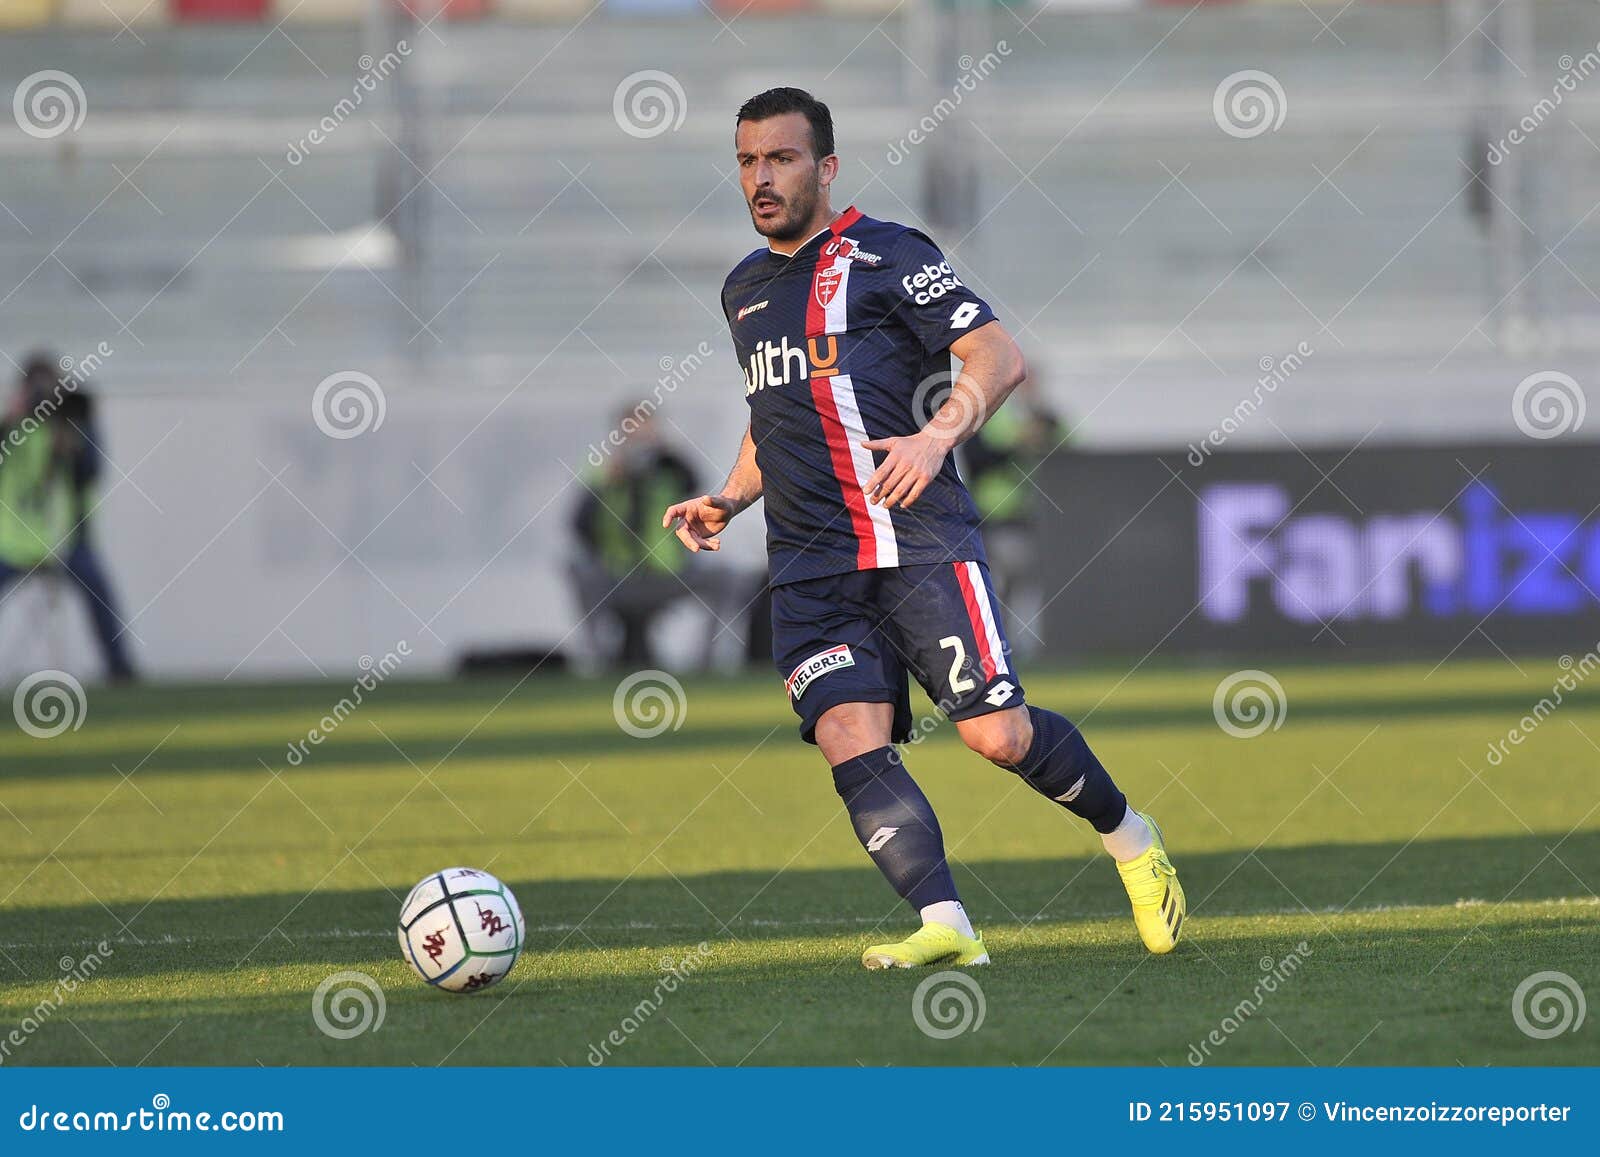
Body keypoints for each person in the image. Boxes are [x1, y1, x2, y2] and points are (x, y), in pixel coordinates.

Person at [661, 88, 1184, 969]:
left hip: (914, 539)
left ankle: (1131, 835)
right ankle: (948, 924)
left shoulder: (889, 253)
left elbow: (998, 356)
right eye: (748, 160)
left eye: (782, 158)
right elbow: (775, 409)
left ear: (825, 168)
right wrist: (731, 494)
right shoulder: (744, 288)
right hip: (809, 563)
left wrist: (938, 436)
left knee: (998, 736)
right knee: (846, 732)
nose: (762, 177)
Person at [571, 406, 748, 670]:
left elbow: (695, 483)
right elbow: (579, 524)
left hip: (669, 573)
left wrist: (664, 452)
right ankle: (598, 664)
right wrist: (611, 479)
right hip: (619, 576)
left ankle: (706, 662)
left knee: (729, 577)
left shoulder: (669, 467)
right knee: (580, 572)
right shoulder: (602, 470)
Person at [0, 353, 137, 680]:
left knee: (100, 594)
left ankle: (121, 670)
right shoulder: (13, 426)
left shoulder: (73, 424)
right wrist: (11, 418)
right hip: (12, 541)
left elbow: (90, 472)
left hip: (64, 540)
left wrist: (73, 433)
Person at [959, 376, 1063, 661]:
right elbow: (977, 456)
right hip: (996, 517)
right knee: (1001, 584)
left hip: (1030, 517)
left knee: (1024, 585)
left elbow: (1067, 442)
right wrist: (1019, 446)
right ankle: (999, 646)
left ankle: (1019, 647)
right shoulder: (991, 417)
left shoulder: (1041, 416)